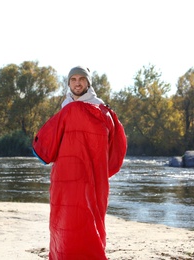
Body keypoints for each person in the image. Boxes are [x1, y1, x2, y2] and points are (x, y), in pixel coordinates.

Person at [32, 66, 127, 259]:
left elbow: (114, 144)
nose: (77, 82)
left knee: (89, 218)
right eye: (73, 79)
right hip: (66, 177)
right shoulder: (67, 110)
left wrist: (99, 169)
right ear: (68, 83)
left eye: (81, 79)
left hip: (93, 177)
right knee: (67, 219)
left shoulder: (103, 112)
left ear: (88, 83)